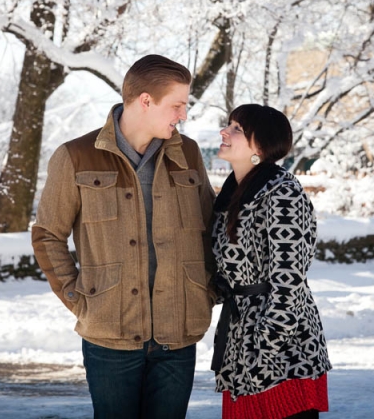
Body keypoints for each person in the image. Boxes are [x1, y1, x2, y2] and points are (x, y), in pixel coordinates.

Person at [32, 55, 216, 419]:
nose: (183, 115)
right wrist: (80, 299)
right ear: (145, 101)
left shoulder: (189, 153)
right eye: (177, 105)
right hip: (109, 334)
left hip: (177, 334)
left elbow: (211, 229)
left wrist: (205, 291)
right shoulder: (76, 156)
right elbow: (48, 235)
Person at [210, 104, 331, 419]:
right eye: (229, 124)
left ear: (260, 147)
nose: (225, 131)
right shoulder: (232, 195)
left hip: (285, 353)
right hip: (240, 345)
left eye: (237, 128)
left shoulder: (282, 193)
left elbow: (289, 280)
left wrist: (266, 346)